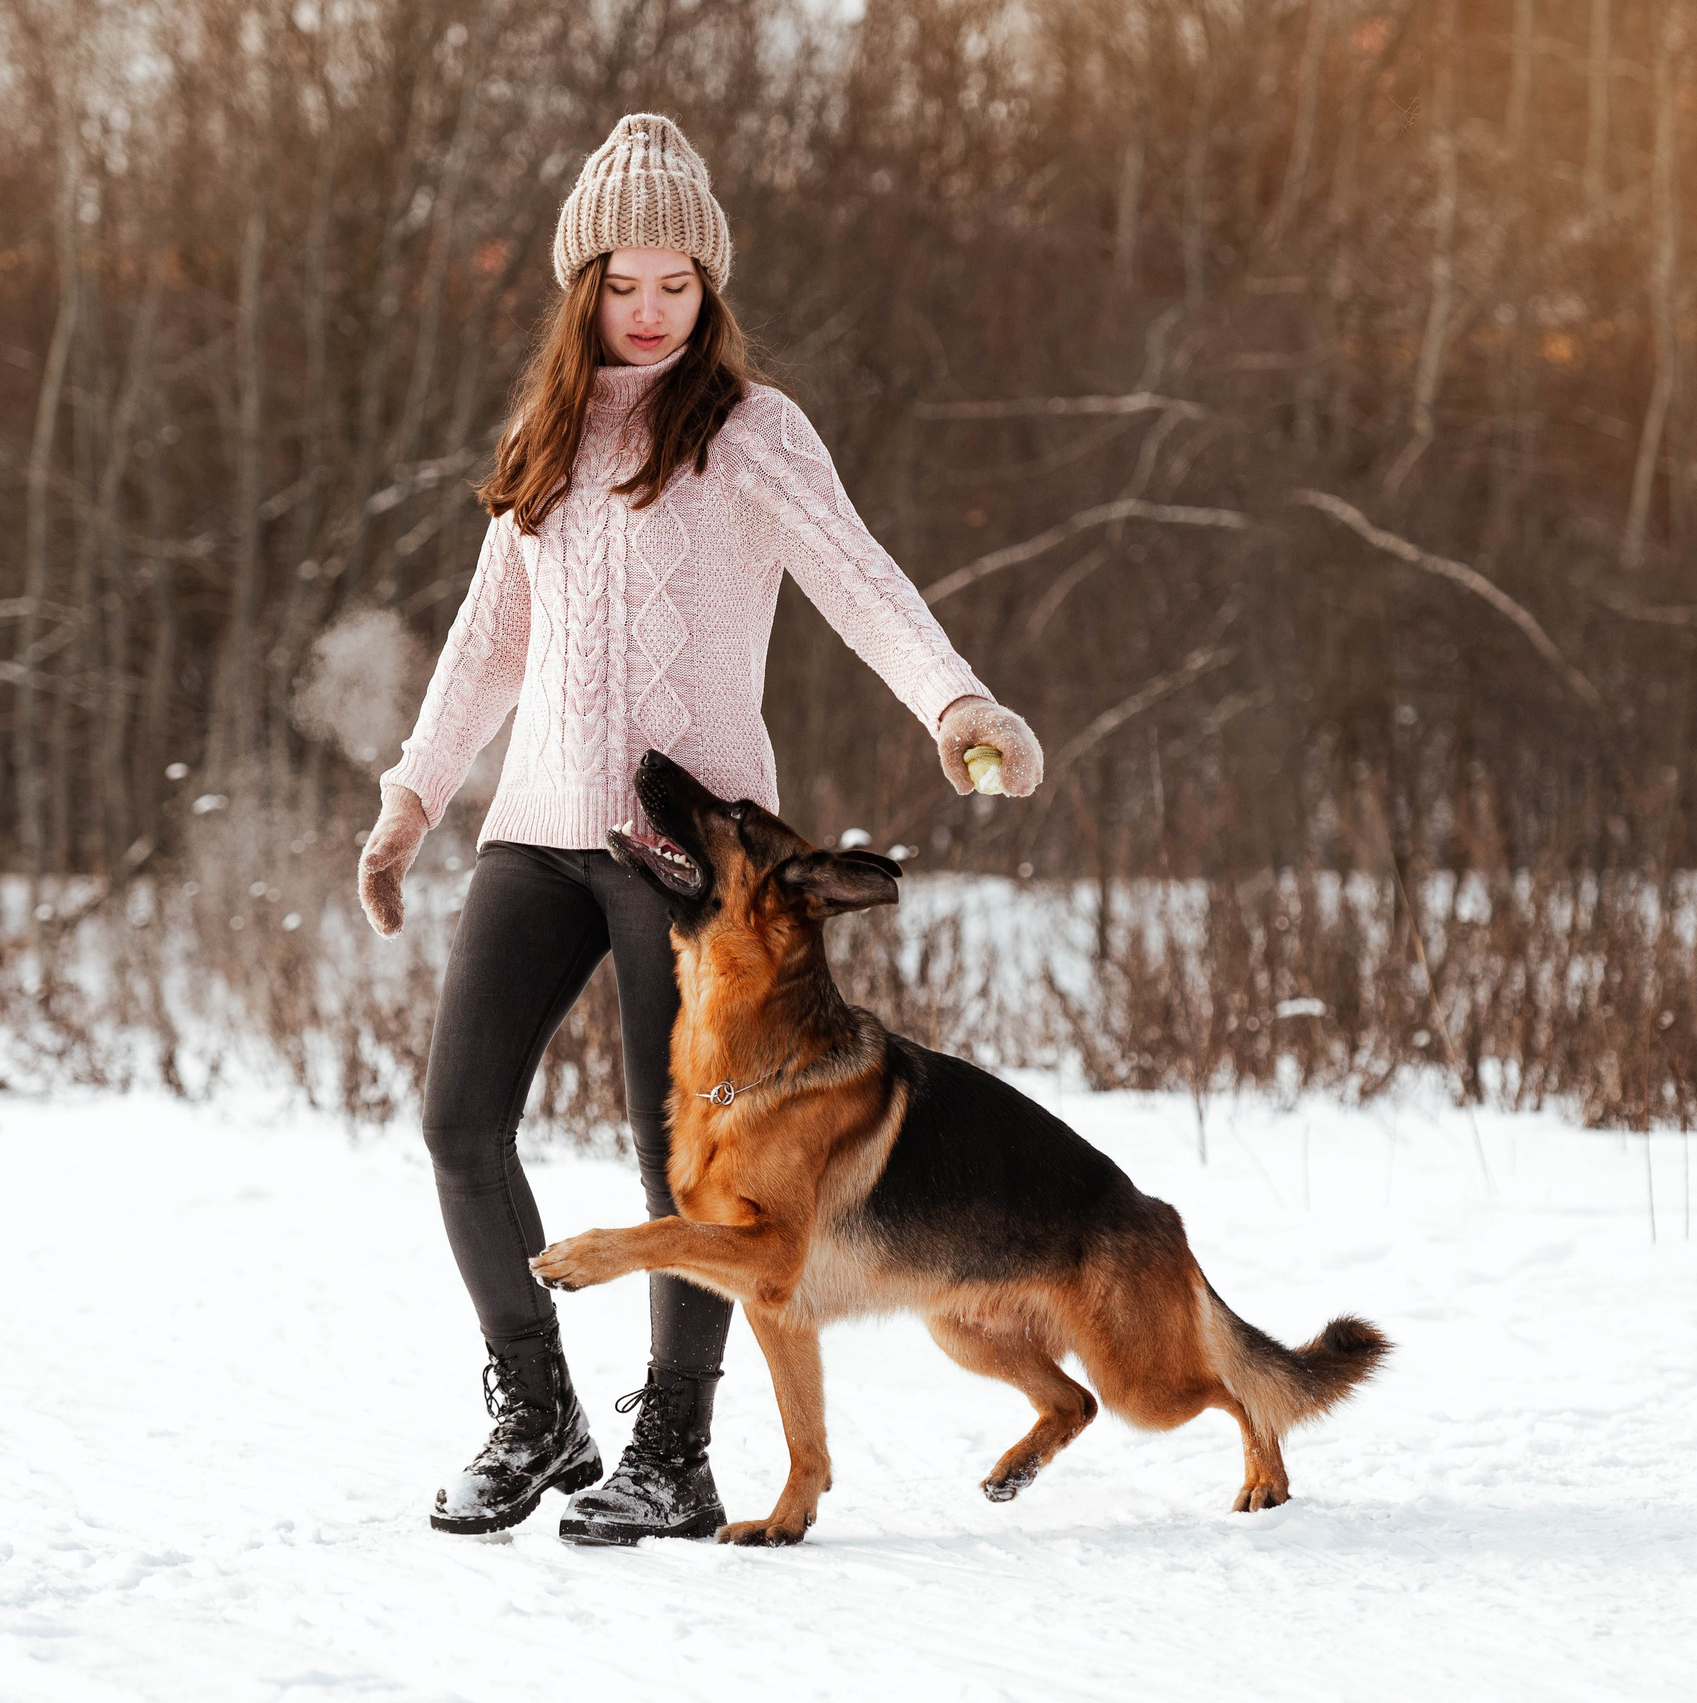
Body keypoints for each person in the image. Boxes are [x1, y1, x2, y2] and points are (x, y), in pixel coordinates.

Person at [355, 112, 1044, 1545]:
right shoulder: (544, 436)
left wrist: (957, 703)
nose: (652, 309)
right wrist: (412, 796)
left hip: (688, 862)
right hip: (535, 834)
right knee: (458, 1122)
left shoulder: (747, 430)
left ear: (709, 285)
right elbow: (488, 642)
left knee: (684, 1166)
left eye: (678, 282)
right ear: (582, 286)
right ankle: (535, 1415)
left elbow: (862, 580)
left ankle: (673, 1451)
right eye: (625, 283)